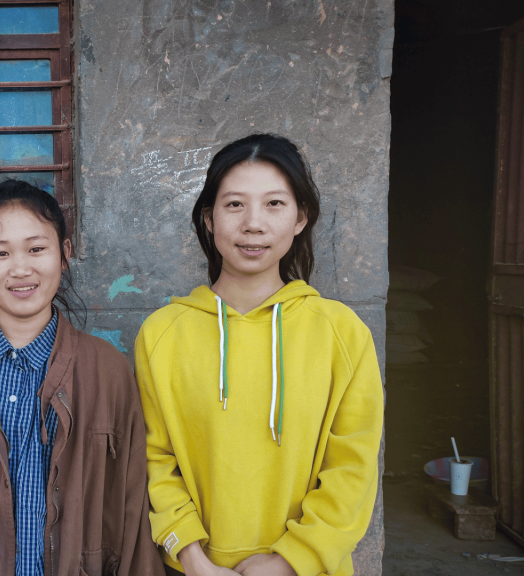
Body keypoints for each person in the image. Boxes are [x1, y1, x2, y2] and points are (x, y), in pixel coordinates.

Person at [135, 134, 384, 576]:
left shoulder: (341, 333)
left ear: (300, 217)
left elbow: (353, 469)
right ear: (209, 219)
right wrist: (191, 556)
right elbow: (154, 460)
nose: (253, 224)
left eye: (274, 204)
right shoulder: (162, 335)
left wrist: (290, 562)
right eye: (234, 205)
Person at [0, 180, 163, 576]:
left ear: (65, 254)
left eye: (37, 249)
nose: (20, 268)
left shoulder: (107, 370)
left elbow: (131, 505)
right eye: (1, 253)